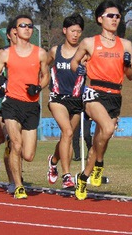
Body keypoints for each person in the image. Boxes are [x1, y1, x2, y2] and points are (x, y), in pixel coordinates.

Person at [71, 0, 132, 200]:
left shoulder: (126, 45)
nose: (115, 19)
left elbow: (131, 74)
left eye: (117, 16)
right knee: (107, 129)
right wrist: (79, 68)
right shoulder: (89, 42)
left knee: (101, 140)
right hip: (94, 92)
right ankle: (99, 163)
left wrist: (127, 64)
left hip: (115, 95)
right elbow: (74, 63)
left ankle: (83, 177)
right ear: (100, 19)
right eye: (110, 15)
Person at [0, 14, 49, 199]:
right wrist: (3, 83)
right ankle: (18, 185)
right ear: (15, 30)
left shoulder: (40, 53)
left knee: (28, 154)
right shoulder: (6, 54)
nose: (27, 28)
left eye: (30, 26)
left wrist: (38, 86)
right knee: (16, 143)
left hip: (31, 105)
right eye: (23, 25)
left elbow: (46, 76)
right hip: (11, 103)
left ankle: (15, 170)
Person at [46, 13, 86, 189]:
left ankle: (53, 160)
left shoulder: (84, 54)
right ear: (65, 31)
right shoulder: (55, 51)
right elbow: (43, 66)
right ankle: (67, 175)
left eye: (78, 31)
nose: (75, 34)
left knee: (66, 136)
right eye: (72, 31)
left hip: (77, 100)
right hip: (57, 98)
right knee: (68, 133)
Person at [0, 19, 18, 194]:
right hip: (4, 102)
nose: (17, 35)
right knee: (4, 139)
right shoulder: (3, 53)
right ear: (8, 35)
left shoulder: (28, 53)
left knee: (15, 142)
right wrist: (1, 88)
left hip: (22, 102)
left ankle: (15, 178)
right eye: (13, 32)